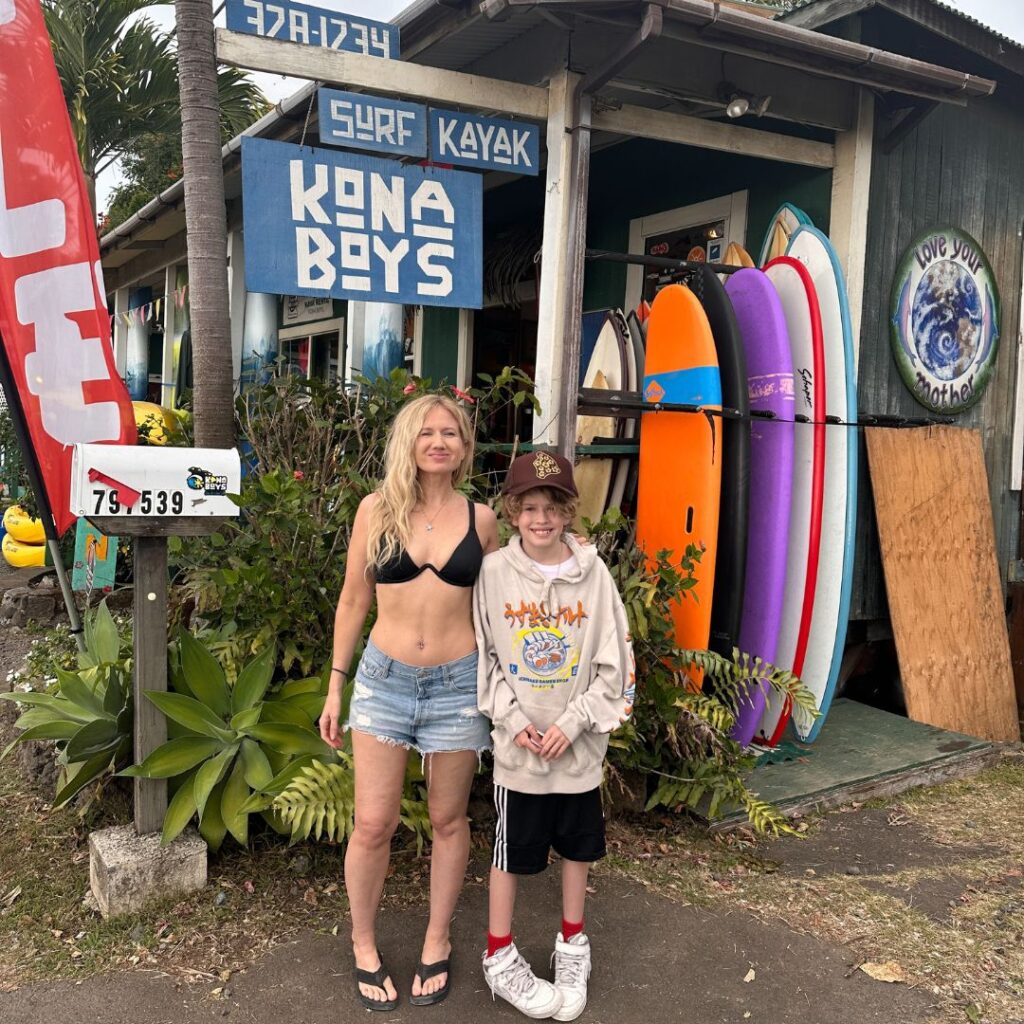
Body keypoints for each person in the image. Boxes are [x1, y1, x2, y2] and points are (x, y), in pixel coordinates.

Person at [319, 393, 498, 1012]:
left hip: (457, 684)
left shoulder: (483, 520)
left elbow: (497, 609)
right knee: (374, 823)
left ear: (464, 446)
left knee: (449, 821)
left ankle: (436, 937)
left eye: (451, 433)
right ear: (409, 442)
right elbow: (352, 601)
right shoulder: (377, 511)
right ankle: (363, 943)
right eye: (427, 433)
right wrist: (336, 683)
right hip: (383, 681)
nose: (439, 442)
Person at [474, 451, 635, 1021]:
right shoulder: (493, 574)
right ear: (514, 512)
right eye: (529, 508)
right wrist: (516, 723)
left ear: (569, 512)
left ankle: (573, 944)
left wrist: (572, 724)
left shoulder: (596, 576)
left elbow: (618, 668)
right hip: (519, 752)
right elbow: (485, 657)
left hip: (579, 749)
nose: (541, 519)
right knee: (510, 853)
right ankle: (499, 952)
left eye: (553, 508)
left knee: (578, 848)